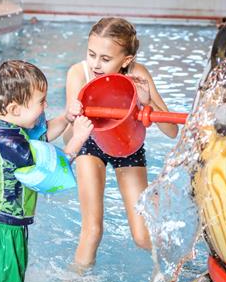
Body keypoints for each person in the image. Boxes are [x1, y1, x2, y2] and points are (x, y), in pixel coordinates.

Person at [0, 60, 93, 282]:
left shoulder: (11, 129)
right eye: (41, 102)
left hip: (8, 226)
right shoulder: (8, 142)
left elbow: (44, 134)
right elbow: (50, 171)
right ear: (16, 109)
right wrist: (78, 140)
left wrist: (68, 118)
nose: (45, 105)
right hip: (2, 229)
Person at [65, 17, 179, 267]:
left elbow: (172, 131)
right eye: (91, 54)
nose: (96, 64)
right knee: (92, 231)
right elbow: (69, 140)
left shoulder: (137, 74)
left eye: (105, 59)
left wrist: (148, 101)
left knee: (142, 236)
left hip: (128, 145)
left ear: (125, 61)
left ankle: (181, 265)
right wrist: (71, 117)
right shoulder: (79, 73)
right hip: (90, 143)